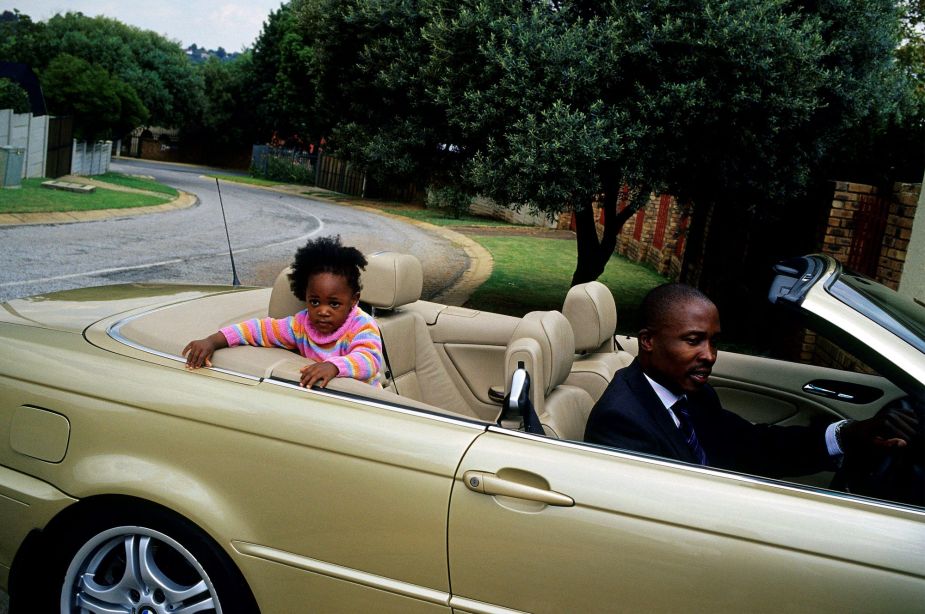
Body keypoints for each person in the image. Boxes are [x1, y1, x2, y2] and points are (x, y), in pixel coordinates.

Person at [584, 283, 918, 478]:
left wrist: (846, 435)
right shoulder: (621, 420)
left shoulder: (693, 396)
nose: (709, 355)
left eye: (713, 341)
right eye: (693, 340)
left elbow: (753, 445)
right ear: (648, 341)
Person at [184, 235, 384, 389]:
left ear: (353, 300)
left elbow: (369, 360)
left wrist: (334, 366)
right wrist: (212, 341)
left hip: (365, 400)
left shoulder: (362, 325)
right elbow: (259, 330)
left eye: (334, 304)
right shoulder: (300, 325)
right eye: (315, 302)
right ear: (305, 296)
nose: (323, 311)